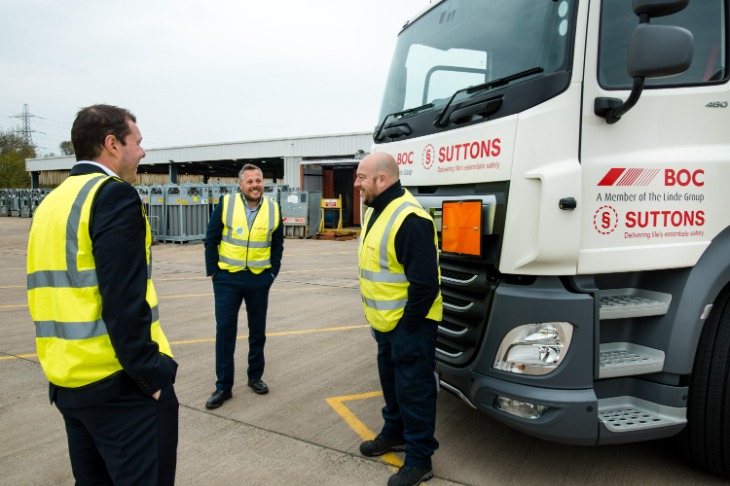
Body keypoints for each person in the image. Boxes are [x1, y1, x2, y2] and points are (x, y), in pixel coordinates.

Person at [26, 104, 179, 486]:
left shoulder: (51, 203)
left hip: (68, 384)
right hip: (119, 388)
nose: (143, 152)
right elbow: (123, 300)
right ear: (112, 144)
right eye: (138, 142)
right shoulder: (112, 196)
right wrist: (152, 378)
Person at [355, 152, 443, 486]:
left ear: (382, 179)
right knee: (393, 387)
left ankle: (420, 459)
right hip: (385, 323)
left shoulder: (410, 219)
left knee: (415, 391)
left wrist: (407, 328)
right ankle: (394, 432)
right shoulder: (374, 210)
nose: (357, 183)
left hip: (411, 326)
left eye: (362, 177)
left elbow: (425, 285)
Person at [204, 163, 284, 409]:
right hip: (228, 280)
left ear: (264, 184)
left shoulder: (273, 209)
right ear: (240, 185)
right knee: (225, 332)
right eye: (249, 181)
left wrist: (271, 274)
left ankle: (255, 377)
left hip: (258, 280)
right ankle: (223, 387)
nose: (255, 185)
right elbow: (211, 238)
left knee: (257, 331)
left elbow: (277, 245)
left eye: (258, 181)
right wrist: (214, 273)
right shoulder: (226, 204)